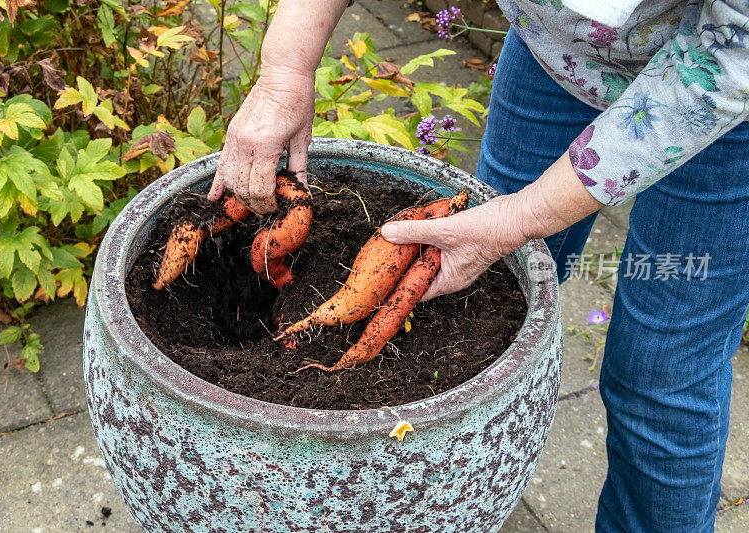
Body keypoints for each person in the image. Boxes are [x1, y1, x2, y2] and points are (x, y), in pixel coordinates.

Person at [209, 0, 749, 530]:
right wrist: (284, 74)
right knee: (471, 287)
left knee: (662, 370)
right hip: (554, 52)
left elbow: (733, 55)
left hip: (722, 95)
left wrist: (520, 218)